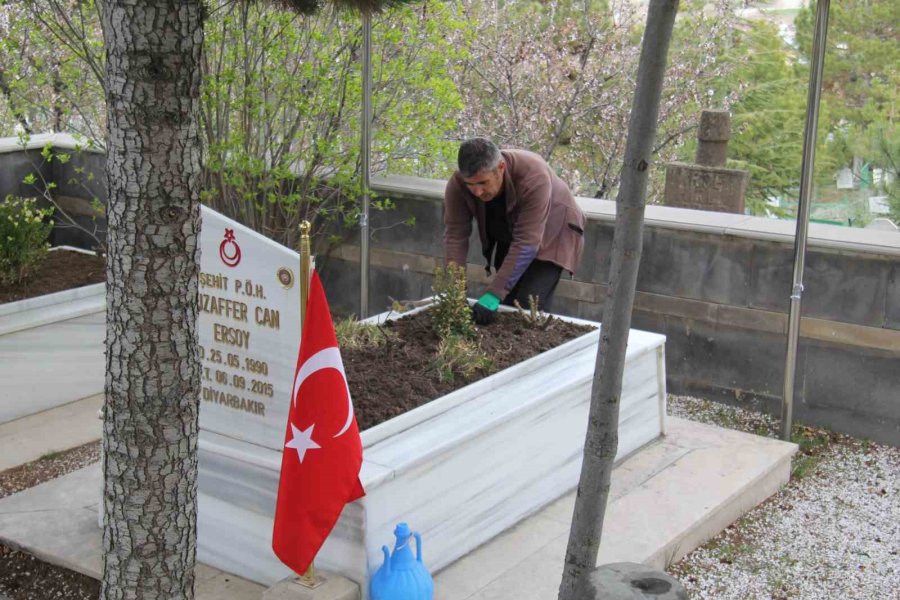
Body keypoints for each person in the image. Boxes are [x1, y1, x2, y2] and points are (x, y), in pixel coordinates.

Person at [443, 137, 585, 325]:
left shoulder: (533, 176)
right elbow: (455, 236)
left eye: (483, 183)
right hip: (511, 230)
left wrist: (493, 294)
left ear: (500, 168)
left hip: (556, 231)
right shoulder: (458, 184)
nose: (477, 192)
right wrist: (455, 293)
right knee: (505, 305)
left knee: (528, 304)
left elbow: (527, 243)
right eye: (471, 185)